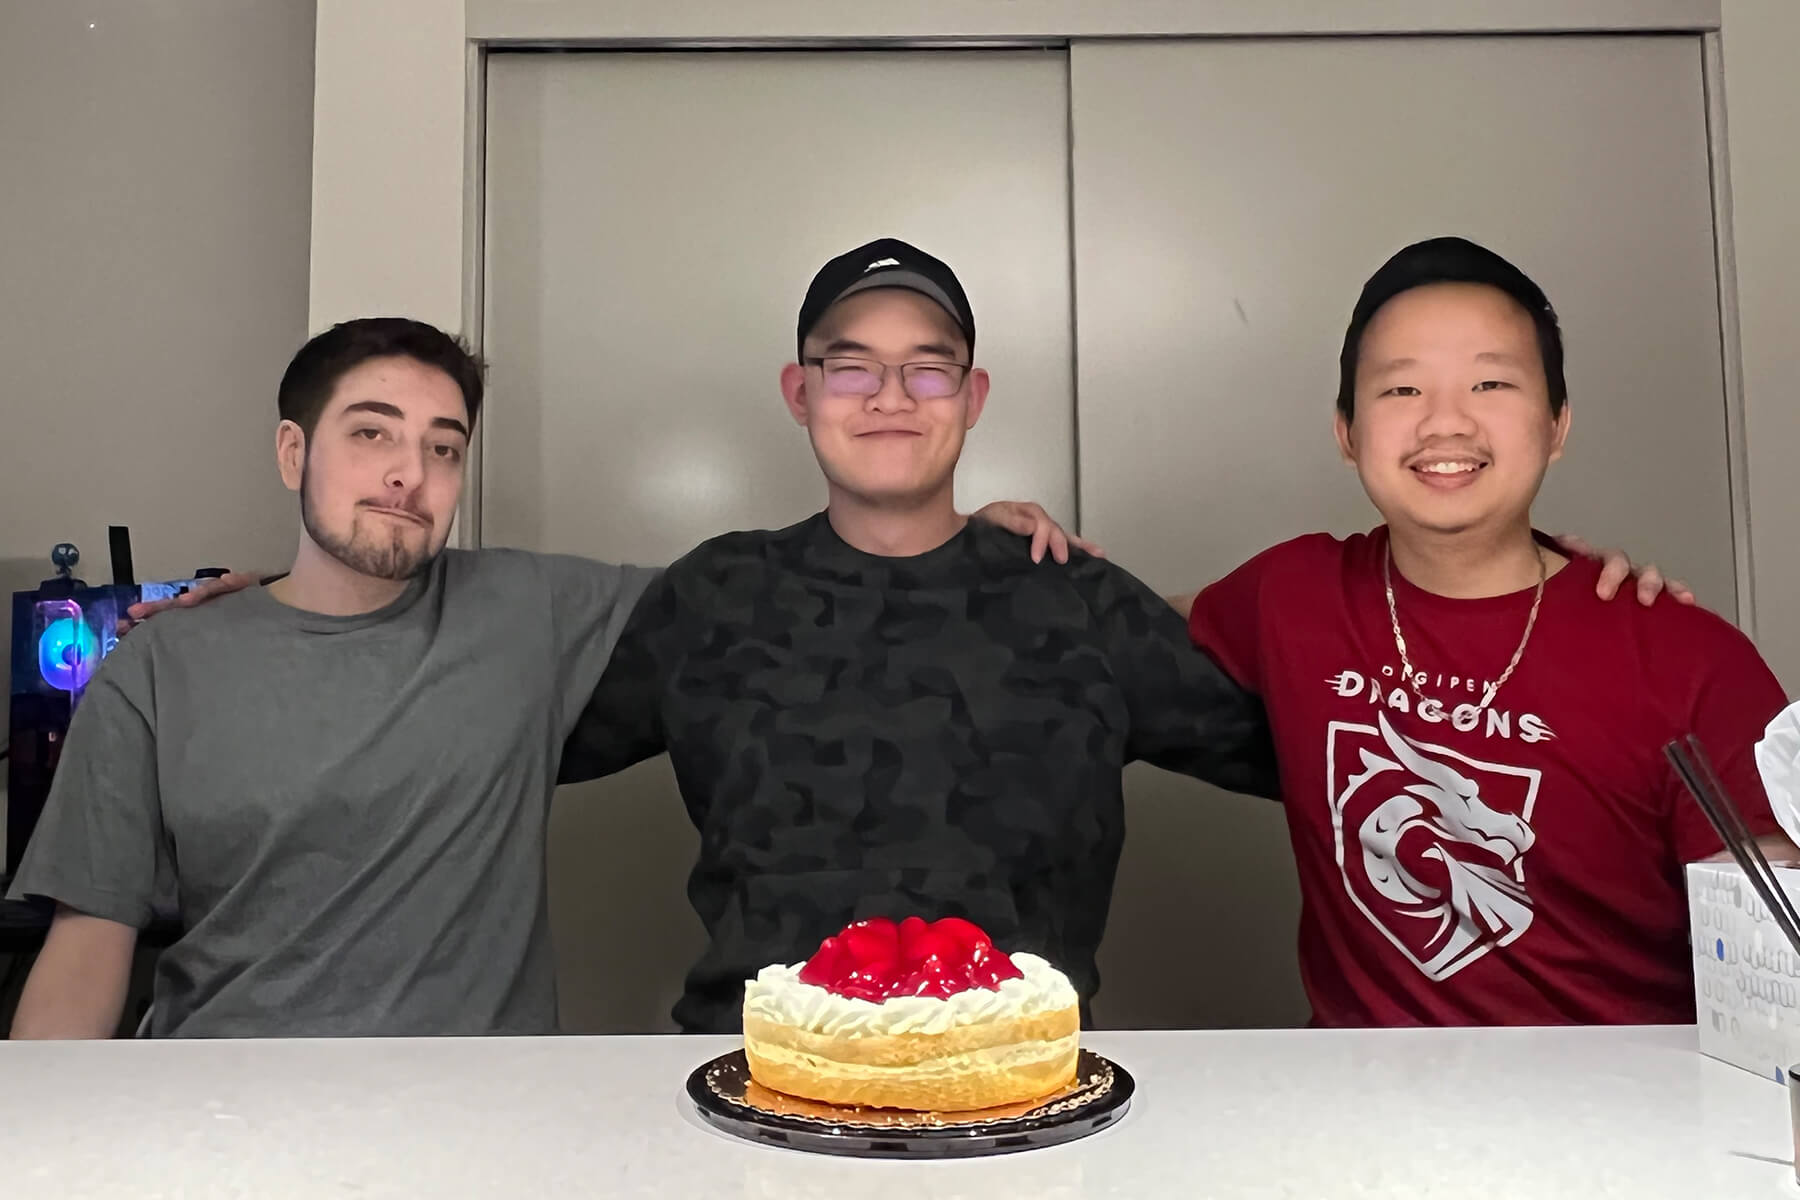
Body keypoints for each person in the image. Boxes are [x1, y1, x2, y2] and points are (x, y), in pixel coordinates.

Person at [554, 238, 1669, 1035]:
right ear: (800, 392)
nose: (890, 394)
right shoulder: (713, 595)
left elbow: (1345, 738)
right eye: (850, 365)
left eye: (927, 364)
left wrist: (1516, 586)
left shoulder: (1072, 599)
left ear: (974, 395)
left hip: (1026, 1102)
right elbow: (499, 745)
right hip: (744, 1086)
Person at [3, 315, 1084, 1040]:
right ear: (294, 453)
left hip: (485, 1123)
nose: (406, 475)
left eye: (443, 447)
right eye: (371, 435)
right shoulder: (161, 667)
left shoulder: (527, 612)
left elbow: (792, 597)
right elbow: (87, 947)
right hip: (220, 1114)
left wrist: (945, 534)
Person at [1181, 236, 1794, 1026]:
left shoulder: (1689, 659)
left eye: (1491, 381)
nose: (1446, 422)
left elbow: (1774, 983)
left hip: (1621, 1127)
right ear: (1346, 432)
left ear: (1556, 424)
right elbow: (1113, 618)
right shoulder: (1292, 594)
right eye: (1402, 390)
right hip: (1353, 1119)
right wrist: (993, 542)